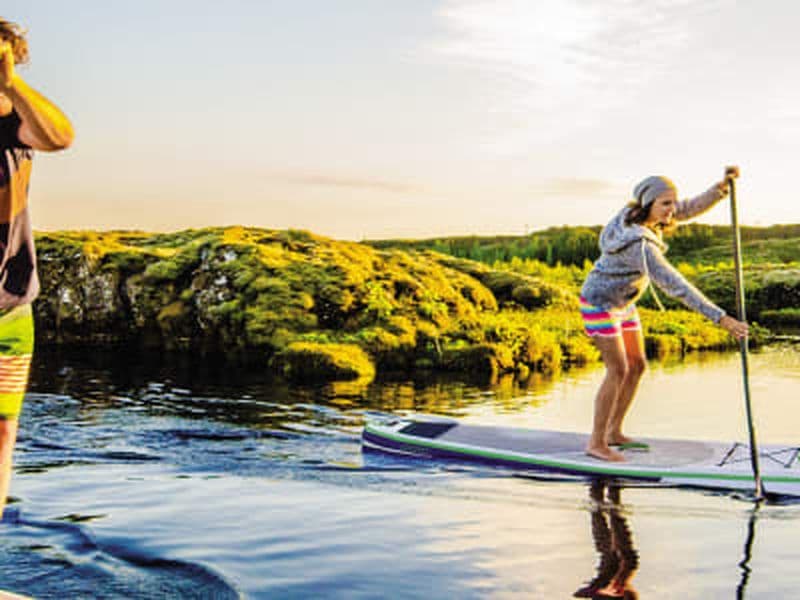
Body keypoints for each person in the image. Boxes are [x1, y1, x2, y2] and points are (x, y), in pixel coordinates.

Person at [579, 167, 748, 462]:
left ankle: (613, 431)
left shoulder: (646, 215)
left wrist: (720, 189)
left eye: (673, 202)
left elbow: (688, 208)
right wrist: (722, 318)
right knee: (617, 369)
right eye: (665, 204)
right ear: (648, 205)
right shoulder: (640, 245)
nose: (672, 210)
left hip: (624, 302)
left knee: (638, 364)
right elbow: (677, 286)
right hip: (600, 303)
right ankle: (596, 443)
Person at [0, 19, 74, 520]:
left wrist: (11, 85)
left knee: (2, 432)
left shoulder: (17, 123)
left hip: (10, 306)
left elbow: (61, 137)